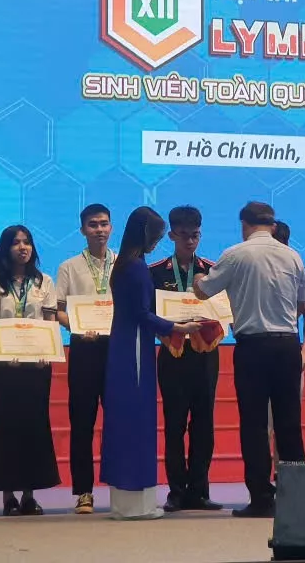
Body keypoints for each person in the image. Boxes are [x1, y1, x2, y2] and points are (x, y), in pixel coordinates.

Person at [194, 201, 305, 518]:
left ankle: (261, 499)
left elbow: (204, 291)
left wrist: (198, 277)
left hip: (253, 346)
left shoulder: (236, 254)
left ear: (244, 224)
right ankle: (298, 499)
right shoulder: (293, 256)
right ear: (272, 225)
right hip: (287, 344)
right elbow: (302, 304)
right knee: (289, 422)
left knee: (255, 424)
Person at [101, 207, 200, 519]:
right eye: (155, 237)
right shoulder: (135, 267)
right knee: (136, 420)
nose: (157, 243)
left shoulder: (125, 264)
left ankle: (125, 501)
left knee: (125, 420)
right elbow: (141, 314)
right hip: (134, 348)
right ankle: (136, 503)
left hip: (126, 344)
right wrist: (177, 327)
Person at [0, 224, 60, 514]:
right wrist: (6, 352)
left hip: (38, 367)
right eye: (15, 243)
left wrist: (47, 352)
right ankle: (8, 496)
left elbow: (50, 322)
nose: (22, 247)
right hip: (5, 367)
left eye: (26, 242)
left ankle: (29, 494)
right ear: (6, 248)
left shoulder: (44, 282)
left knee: (34, 427)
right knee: (7, 427)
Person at [151, 205, 221, 512]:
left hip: (205, 354)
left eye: (195, 235)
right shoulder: (155, 272)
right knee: (174, 424)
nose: (190, 241)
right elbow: (149, 315)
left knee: (204, 424)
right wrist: (171, 329)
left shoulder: (213, 271)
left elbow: (223, 310)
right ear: (171, 235)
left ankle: (200, 490)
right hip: (173, 354)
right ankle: (176, 491)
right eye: (184, 235)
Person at [54, 203, 116, 514]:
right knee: (82, 422)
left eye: (104, 223)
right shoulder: (69, 266)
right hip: (83, 349)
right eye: (93, 224)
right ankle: (84, 492)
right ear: (82, 230)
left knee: (117, 421)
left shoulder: (124, 263)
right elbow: (57, 310)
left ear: (111, 227)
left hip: (116, 350)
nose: (99, 229)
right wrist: (77, 327)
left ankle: (121, 486)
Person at [267, 220, 305, 474]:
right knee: (262, 420)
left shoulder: (297, 267)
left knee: (287, 418)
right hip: (258, 349)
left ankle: (284, 474)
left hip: (289, 350)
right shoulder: (251, 266)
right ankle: (261, 479)